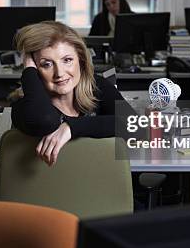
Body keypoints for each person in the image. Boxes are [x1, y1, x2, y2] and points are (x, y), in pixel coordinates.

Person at [11, 21, 130, 166]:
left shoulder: (96, 86)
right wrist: (28, 70)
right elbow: (44, 120)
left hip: (98, 184)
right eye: (46, 64)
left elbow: (134, 126)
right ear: (35, 69)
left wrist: (72, 127)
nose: (59, 73)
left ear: (80, 60)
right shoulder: (25, 107)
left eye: (67, 60)